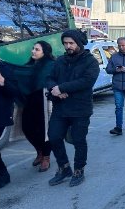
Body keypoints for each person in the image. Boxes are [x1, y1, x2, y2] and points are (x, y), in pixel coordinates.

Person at [43, 28, 100, 188]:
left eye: (71, 43)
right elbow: (49, 78)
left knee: (78, 140)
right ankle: (64, 168)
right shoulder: (60, 60)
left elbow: (87, 81)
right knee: (53, 137)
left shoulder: (90, 61)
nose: (68, 46)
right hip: (60, 108)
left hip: (80, 108)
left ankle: (79, 170)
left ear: (79, 43)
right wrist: (55, 88)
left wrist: (62, 88)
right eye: (65, 43)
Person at [2, 41, 56, 171]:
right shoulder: (30, 65)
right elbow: (17, 74)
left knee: (44, 130)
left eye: (37, 49)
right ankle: (39, 151)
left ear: (45, 52)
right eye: (33, 48)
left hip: (44, 101)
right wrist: (4, 66)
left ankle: (46, 157)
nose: (33, 51)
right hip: (28, 102)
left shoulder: (51, 65)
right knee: (27, 129)